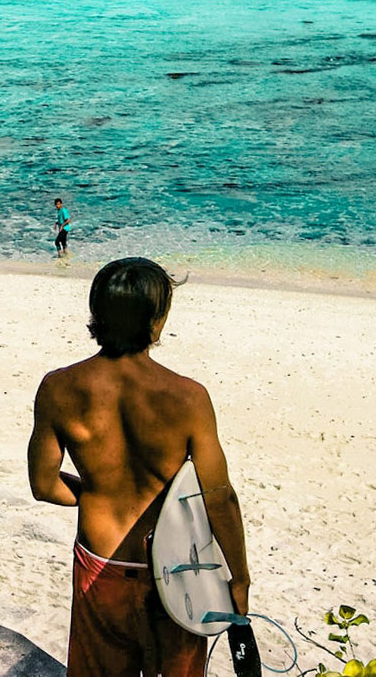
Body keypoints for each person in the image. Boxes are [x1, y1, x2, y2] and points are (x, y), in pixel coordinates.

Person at [29, 257, 249, 677]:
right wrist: (239, 579)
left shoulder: (58, 387)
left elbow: (44, 485)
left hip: (101, 561)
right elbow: (220, 499)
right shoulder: (188, 398)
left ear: (98, 314)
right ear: (156, 320)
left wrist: (96, 493)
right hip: (175, 569)